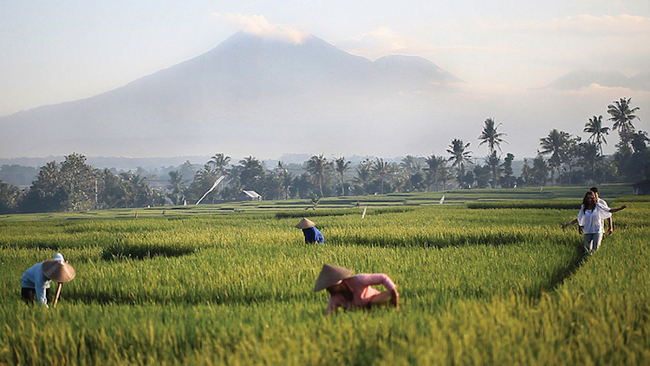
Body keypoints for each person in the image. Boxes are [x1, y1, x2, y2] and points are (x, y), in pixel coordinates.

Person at [313, 264, 399, 316]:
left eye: (330, 287)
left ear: (338, 283)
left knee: (376, 300)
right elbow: (329, 315)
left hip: (374, 300)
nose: (328, 290)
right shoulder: (335, 298)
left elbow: (382, 277)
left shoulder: (358, 280)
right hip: (359, 311)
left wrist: (393, 293)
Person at [562, 186, 627, 234]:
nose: (592, 198)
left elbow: (608, 213)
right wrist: (579, 226)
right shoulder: (586, 205)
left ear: (597, 194)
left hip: (599, 229)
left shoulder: (601, 203)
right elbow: (581, 217)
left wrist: (610, 227)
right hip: (588, 229)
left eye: (594, 196)